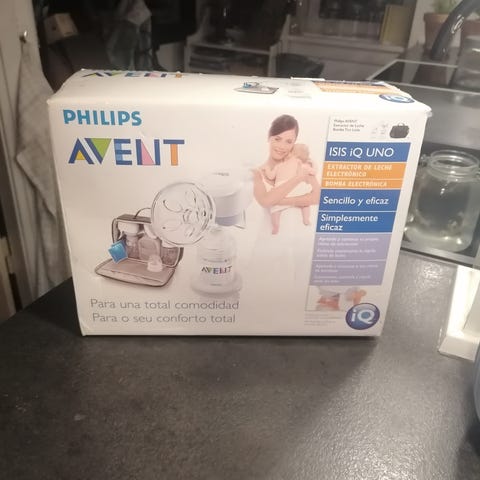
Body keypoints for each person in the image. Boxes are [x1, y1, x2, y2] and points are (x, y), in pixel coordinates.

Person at [253, 114, 320, 220]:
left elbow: (317, 197)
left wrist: (278, 201)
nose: (282, 147)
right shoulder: (257, 173)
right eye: (277, 139)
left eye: (288, 142)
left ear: (294, 142)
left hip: (303, 230)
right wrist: (298, 178)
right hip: (270, 231)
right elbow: (265, 201)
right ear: (269, 137)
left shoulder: (300, 163)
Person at [262, 143, 316, 234]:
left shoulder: (278, 165)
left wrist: (267, 169)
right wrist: (312, 164)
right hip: (294, 188)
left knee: (275, 209)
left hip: (280, 190)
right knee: (305, 203)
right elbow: (312, 172)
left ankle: (275, 226)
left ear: (293, 154)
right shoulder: (299, 163)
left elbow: (270, 176)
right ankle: (306, 219)